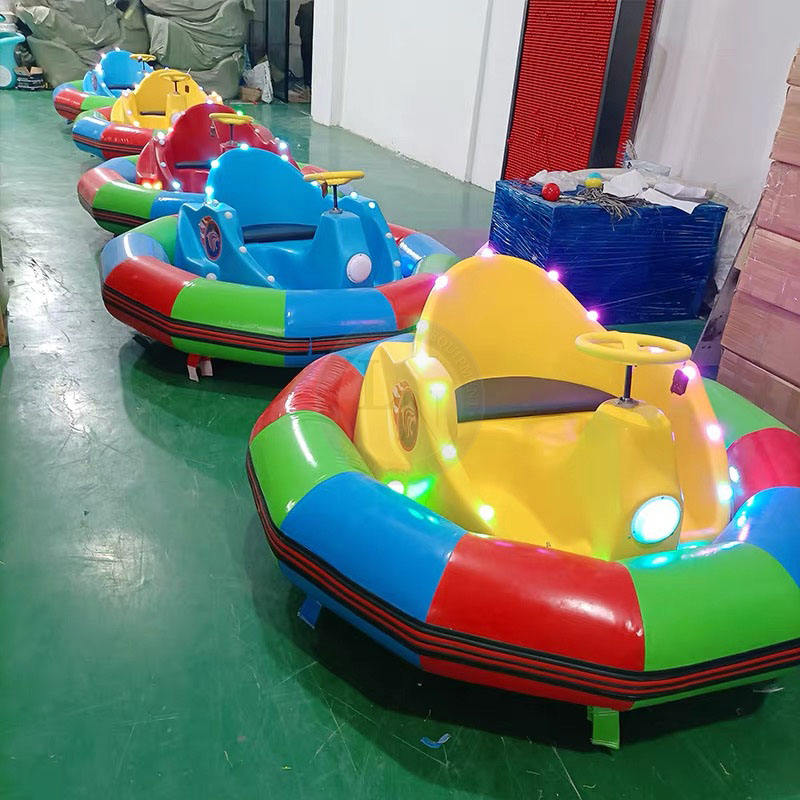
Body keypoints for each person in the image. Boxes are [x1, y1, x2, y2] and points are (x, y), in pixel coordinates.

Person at [295, 0, 313, 92]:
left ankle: (307, 86)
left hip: (305, 41)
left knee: (306, 63)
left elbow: (296, 22)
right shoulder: (321, 9)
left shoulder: (304, 7)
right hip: (317, 42)